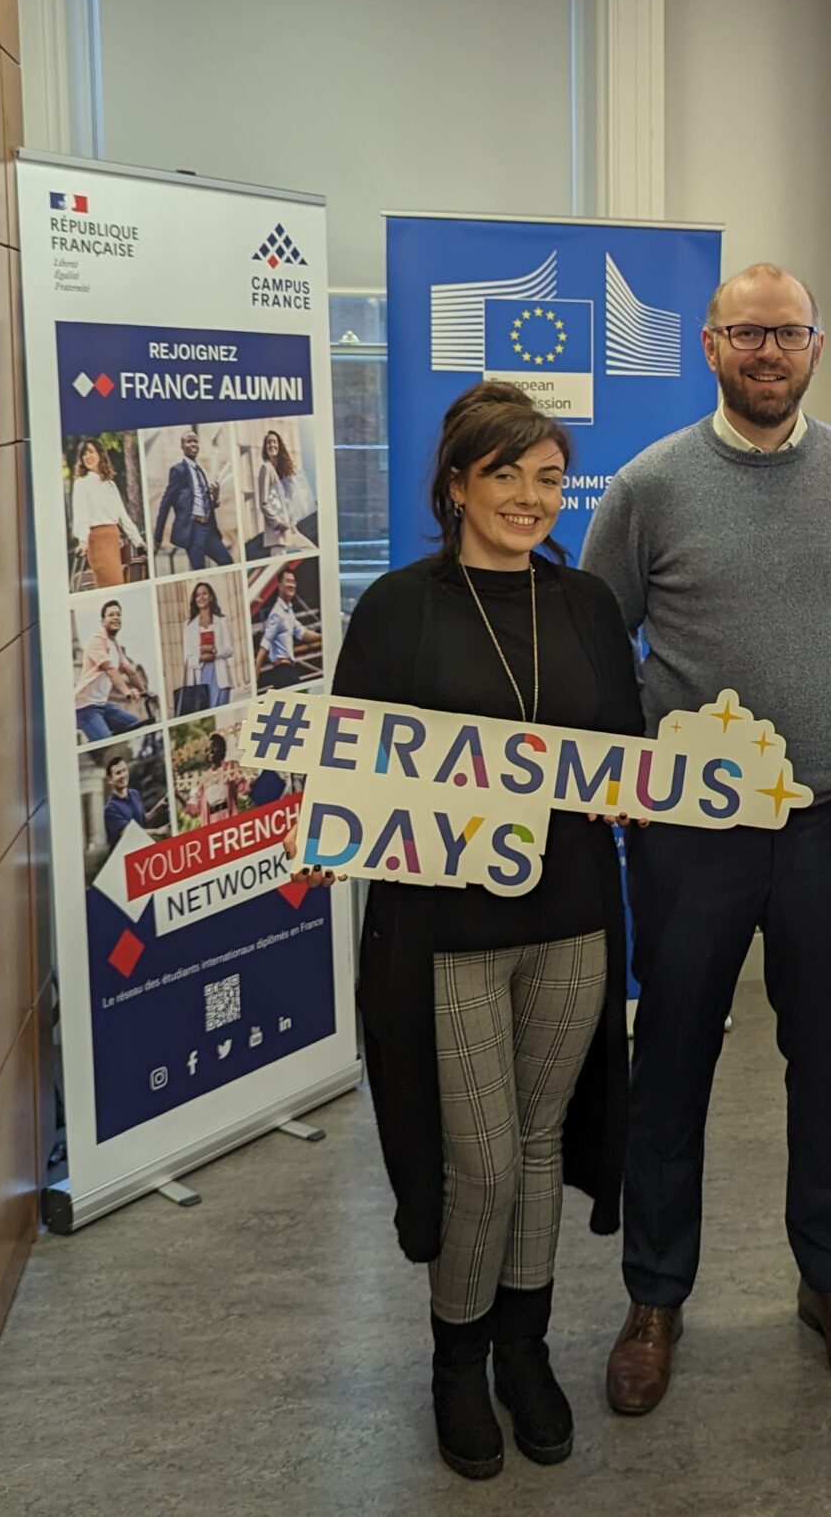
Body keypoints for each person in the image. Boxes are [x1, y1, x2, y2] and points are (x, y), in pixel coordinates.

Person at [581, 263, 831, 1417]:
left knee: (829, 1063)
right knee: (671, 1062)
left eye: (786, 332)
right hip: (686, 834)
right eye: (745, 334)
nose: (767, 351)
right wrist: (649, 764)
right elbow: (597, 635)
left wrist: (826, 729)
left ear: (816, 346)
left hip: (829, 820)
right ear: (709, 347)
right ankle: (655, 1294)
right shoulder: (648, 484)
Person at [300, 381, 642, 1481]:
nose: (530, 498)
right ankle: (455, 1356)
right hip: (445, 925)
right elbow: (350, 768)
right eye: (505, 475)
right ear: (455, 485)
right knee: (482, 1160)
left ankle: (523, 1350)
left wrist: (625, 792)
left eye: (548, 478)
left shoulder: (584, 601)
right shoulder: (399, 608)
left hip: (574, 916)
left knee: (542, 1140)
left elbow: (623, 748)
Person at [153, 427, 234, 571]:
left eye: (196, 441)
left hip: (209, 528)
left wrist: (215, 498)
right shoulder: (178, 471)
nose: (193, 444)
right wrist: (157, 537)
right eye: (189, 441)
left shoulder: (200, 470)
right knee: (199, 569)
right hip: (192, 529)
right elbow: (166, 503)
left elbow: (203, 502)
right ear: (182, 446)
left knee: (228, 562)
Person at [68, 440, 145, 587]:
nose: (87, 456)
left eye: (91, 452)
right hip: (97, 541)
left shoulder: (110, 484)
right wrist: (83, 541)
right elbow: (81, 515)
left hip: (113, 540)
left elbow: (122, 516)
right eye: (84, 453)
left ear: (100, 455)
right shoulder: (82, 484)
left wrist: (138, 541)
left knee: (118, 583)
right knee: (111, 582)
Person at [74, 600, 149, 741]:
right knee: (107, 743)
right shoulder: (97, 642)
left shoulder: (116, 646)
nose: (116, 617)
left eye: (118, 614)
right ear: (103, 621)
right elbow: (109, 669)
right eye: (111, 615)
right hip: (85, 708)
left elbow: (130, 671)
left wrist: (145, 691)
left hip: (103, 706)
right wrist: (127, 692)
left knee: (135, 724)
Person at [254, 427, 316, 557]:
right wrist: (277, 523)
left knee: (312, 550)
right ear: (265, 447)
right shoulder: (266, 468)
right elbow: (263, 502)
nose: (272, 445)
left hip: (290, 530)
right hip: (278, 534)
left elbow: (286, 503)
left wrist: (292, 523)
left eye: (275, 442)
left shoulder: (279, 472)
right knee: (279, 564)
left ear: (279, 445)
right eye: (269, 442)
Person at [180, 582, 235, 712]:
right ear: (194, 599)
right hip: (200, 676)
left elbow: (229, 649)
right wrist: (201, 655)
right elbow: (186, 659)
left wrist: (213, 651)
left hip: (220, 675)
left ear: (210, 597)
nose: (201, 597)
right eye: (197, 595)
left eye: (204, 593)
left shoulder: (222, 620)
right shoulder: (188, 625)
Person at [255, 568, 313, 689]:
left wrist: (326, 636)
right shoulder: (277, 614)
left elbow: (302, 633)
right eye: (288, 581)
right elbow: (265, 644)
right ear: (279, 585)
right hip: (283, 671)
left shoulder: (288, 611)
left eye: (293, 582)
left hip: (288, 670)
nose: (292, 585)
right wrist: (255, 675)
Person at [98, 755, 158, 849]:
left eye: (124, 770)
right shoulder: (111, 808)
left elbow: (143, 818)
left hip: (142, 848)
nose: (123, 775)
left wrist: (159, 806)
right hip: (125, 856)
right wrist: (157, 831)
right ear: (110, 780)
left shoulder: (135, 794)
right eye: (118, 773)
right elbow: (128, 833)